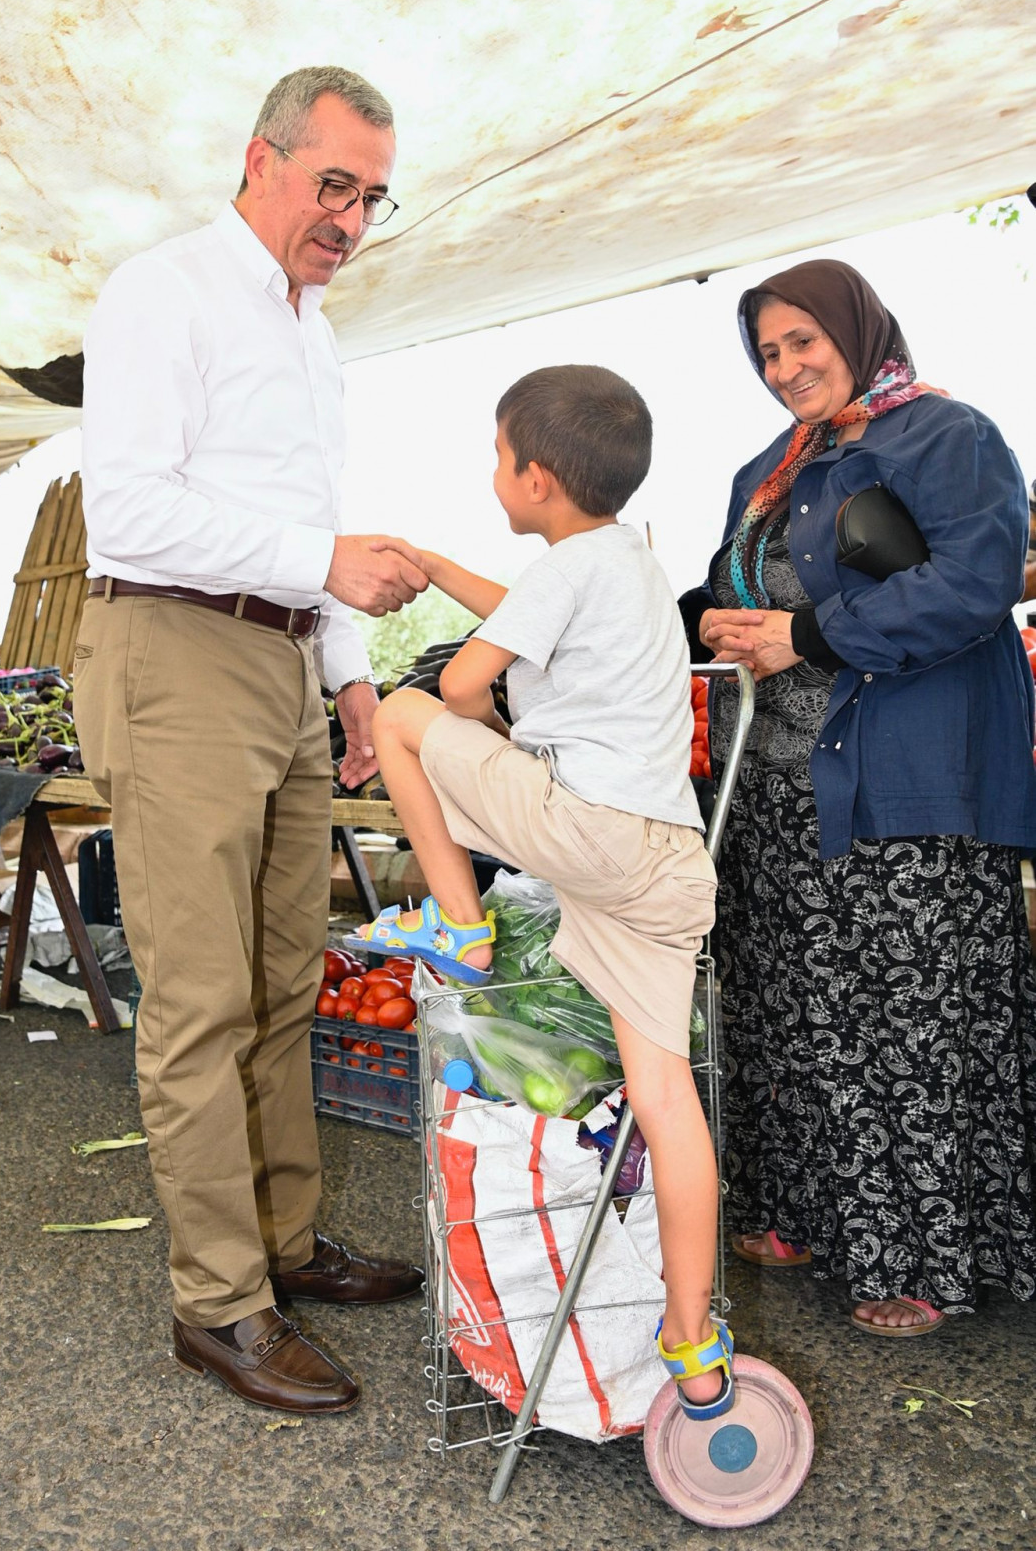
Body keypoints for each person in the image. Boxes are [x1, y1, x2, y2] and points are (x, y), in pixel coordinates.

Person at [73, 66, 427, 1416]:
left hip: (283, 663)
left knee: (285, 981)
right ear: (260, 159)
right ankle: (219, 1303)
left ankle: (283, 1241)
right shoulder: (162, 291)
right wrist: (319, 565)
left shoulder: (312, 333)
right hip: (174, 651)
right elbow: (130, 513)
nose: (349, 218)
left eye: (371, 197)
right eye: (332, 184)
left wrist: (349, 675)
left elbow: (303, 518)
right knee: (200, 1001)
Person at [351, 365, 734, 1420]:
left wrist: (491, 738)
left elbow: (463, 684)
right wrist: (438, 569)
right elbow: (526, 613)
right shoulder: (629, 561)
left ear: (536, 478)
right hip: (664, 863)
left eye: (496, 455)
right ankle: (692, 1340)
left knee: (402, 716)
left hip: (586, 828)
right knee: (665, 1097)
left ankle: (460, 925)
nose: (493, 471)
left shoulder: (568, 568)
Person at [683, 258, 1036, 1334]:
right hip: (773, 791)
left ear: (855, 329)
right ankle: (806, 1218)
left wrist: (806, 633)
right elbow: (737, 585)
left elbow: (977, 580)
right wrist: (714, 617)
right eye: (766, 352)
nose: (784, 367)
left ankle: (924, 1260)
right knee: (794, 1018)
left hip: (905, 789)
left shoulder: (945, 435)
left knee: (909, 1025)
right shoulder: (769, 467)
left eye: (802, 340)